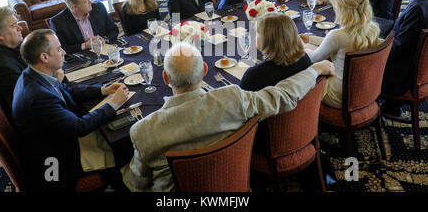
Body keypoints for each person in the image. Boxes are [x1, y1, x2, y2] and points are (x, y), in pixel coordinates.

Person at [122, 42, 334, 192]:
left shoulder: (143, 131)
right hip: (233, 183)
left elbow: (136, 184)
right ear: (205, 70)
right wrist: (314, 70)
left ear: (165, 78)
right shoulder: (233, 99)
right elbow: (283, 95)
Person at [12, 29, 130, 191]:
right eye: (59, 49)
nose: (64, 52)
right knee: (123, 145)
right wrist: (113, 104)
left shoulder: (33, 74)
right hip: (58, 160)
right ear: (44, 57)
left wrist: (104, 90)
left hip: (55, 138)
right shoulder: (38, 97)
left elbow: (67, 89)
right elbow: (79, 127)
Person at [239, 12, 312, 154]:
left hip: (268, 142)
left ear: (267, 40)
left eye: (257, 33)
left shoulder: (255, 76)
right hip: (303, 128)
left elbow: (241, 116)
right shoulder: (305, 59)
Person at [300, 0, 381, 109]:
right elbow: (337, 42)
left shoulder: (337, 36)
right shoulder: (373, 29)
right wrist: (311, 39)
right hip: (366, 91)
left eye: (335, 6)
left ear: (343, 10)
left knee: (302, 76)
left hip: (340, 96)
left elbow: (313, 59)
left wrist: (304, 47)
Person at [382, 0, 428, 115]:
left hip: (400, 78)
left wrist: (373, 56)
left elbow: (399, 48)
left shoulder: (419, 9)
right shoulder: (422, 1)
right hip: (416, 70)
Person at [50, 0, 119, 54]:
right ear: (74, 7)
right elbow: (62, 49)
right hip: (82, 57)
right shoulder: (58, 22)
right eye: (85, 1)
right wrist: (85, 45)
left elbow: (114, 30)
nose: (91, 2)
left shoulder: (98, 8)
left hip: (104, 50)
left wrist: (104, 39)